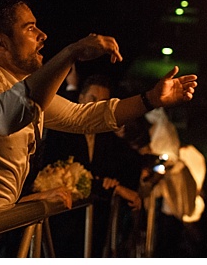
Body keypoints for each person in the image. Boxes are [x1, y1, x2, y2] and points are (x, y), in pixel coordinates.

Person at [0, 0, 197, 229]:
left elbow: (82, 117)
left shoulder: (19, 88)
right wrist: (70, 53)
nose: (43, 35)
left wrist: (150, 99)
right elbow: (5, 118)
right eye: (29, 28)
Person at [40, 75, 148, 256]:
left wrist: (115, 184)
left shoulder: (107, 136)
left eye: (103, 102)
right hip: (62, 224)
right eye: (92, 99)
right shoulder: (60, 132)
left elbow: (128, 164)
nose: (96, 106)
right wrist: (113, 188)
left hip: (93, 227)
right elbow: (66, 174)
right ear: (81, 99)